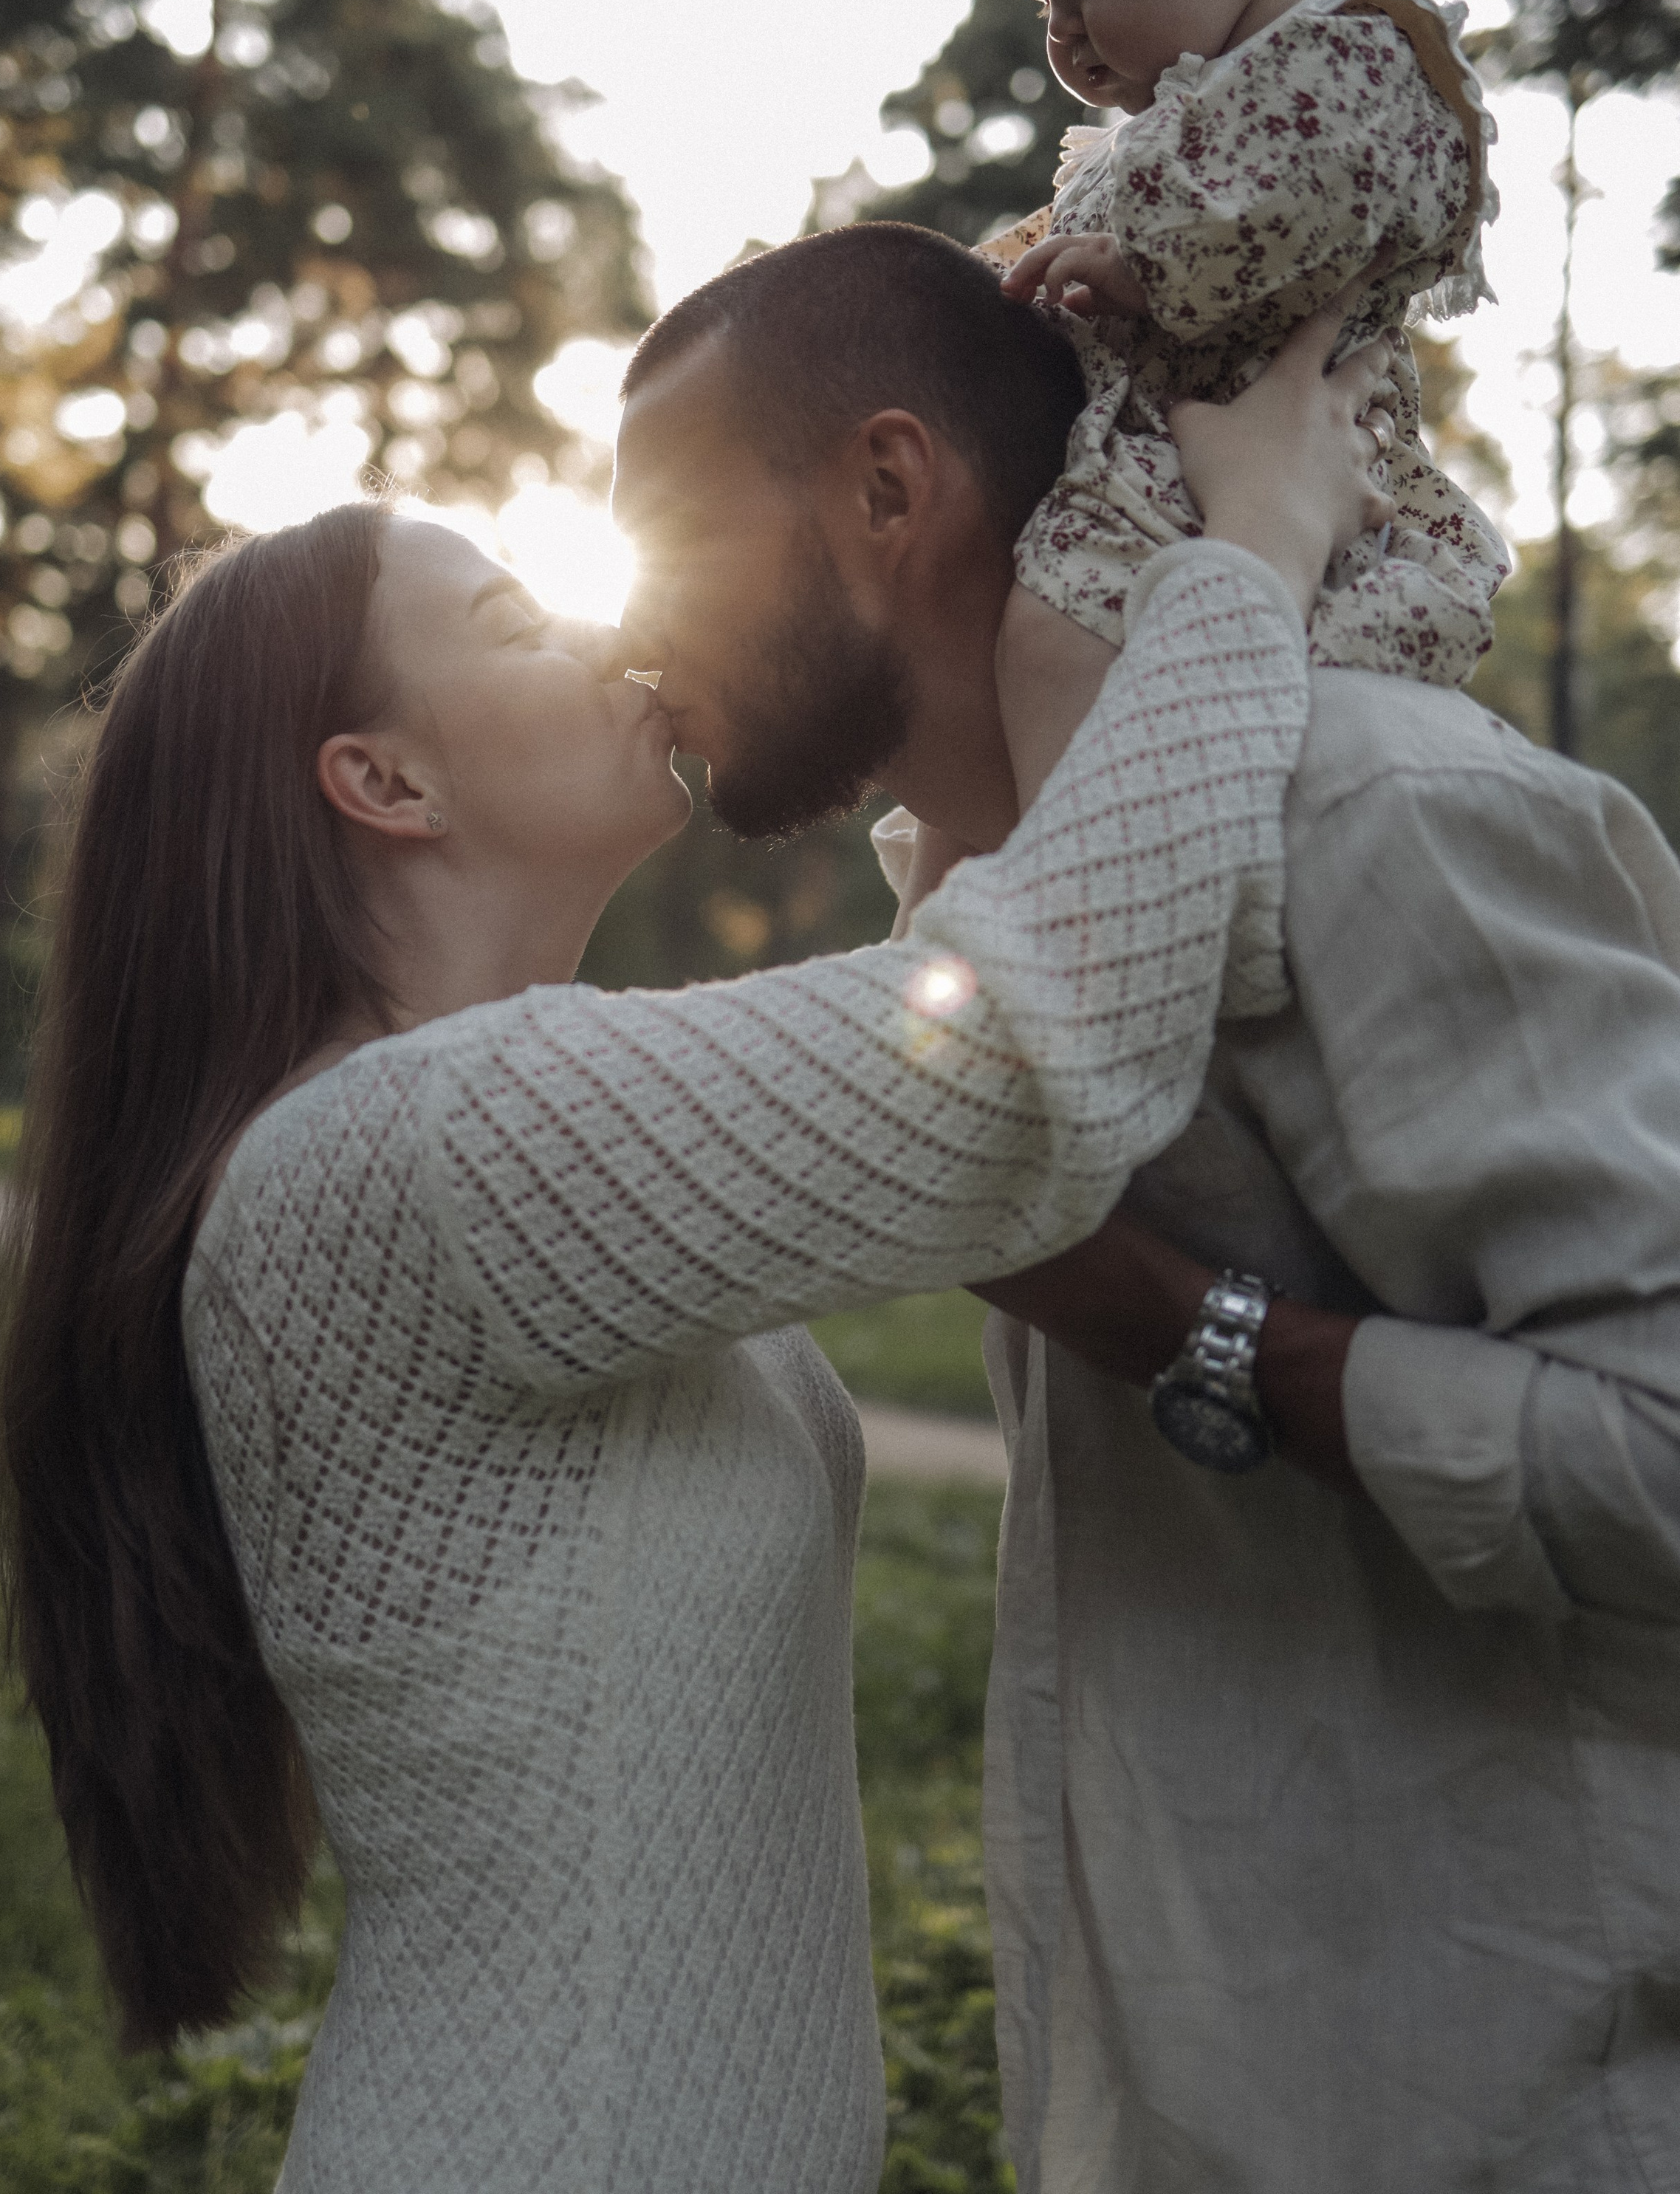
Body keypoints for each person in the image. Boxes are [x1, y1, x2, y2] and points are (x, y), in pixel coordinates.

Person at [0, 246, 1389, 2194]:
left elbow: (941, 1017)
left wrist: (964, 598)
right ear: (380, 778)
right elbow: (1023, 1046)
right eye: (511, 620)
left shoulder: (479, 1137)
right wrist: (1250, 555)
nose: (608, 635)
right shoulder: (417, 1151)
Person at [612, 217, 1680, 2194]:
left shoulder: (1375, 809)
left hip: (1517, 2090)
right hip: (1197, 2087)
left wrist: (1178, 1327)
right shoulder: (972, 926)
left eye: (670, 540)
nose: (629, 632)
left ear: (887, 490)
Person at [976, 0, 1507, 685]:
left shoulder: (1355, 66)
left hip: (1303, 493)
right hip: (1166, 486)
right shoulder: (1160, 141)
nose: (1062, 34)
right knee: (1021, 631)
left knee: (1054, 631)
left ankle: (1157, 782)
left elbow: (1317, 194)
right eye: (1042, 0)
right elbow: (1064, 242)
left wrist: (1141, 267)